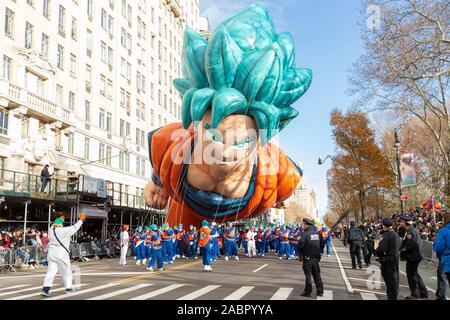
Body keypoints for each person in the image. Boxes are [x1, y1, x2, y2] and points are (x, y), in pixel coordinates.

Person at [41, 214, 86, 297]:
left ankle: (45, 289)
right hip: (62, 255)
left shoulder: (51, 230)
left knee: (50, 272)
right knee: (66, 271)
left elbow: (55, 224)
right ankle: (68, 288)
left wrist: (60, 219)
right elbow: (75, 227)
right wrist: (81, 220)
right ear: (60, 225)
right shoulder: (64, 230)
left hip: (52, 254)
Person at [400, 215, 428, 300]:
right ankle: (423, 293)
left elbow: (410, 245)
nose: (401, 223)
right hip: (415, 256)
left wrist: (401, 250)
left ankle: (415, 294)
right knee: (415, 274)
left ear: (406, 223)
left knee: (411, 275)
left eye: (402, 221)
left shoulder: (410, 232)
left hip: (413, 256)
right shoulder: (410, 230)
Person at [375, 218, 401, 300]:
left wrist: (378, 254)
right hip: (395, 259)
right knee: (394, 279)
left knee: (389, 281)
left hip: (388, 260)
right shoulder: (396, 234)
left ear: (384, 226)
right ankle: (393, 296)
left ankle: (391, 297)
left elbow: (382, 248)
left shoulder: (386, 235)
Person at [299, 218, 324, 297]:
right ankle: (320, 291)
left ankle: (308, 291)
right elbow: (322, 244)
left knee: (308, 275)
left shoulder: (305, 234)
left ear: (307, 225)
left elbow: (301, 246)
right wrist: (318, 251)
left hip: (307, 257)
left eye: (304, 224)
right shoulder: (318, 234)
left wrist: (300, 253)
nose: (303, 226)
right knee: (317, 275)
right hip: (316, 257)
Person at [433, 212, 450, 294]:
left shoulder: (444, 230)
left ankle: (440, 296)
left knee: (442, 280)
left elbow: (437, 247)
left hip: (446, 259)